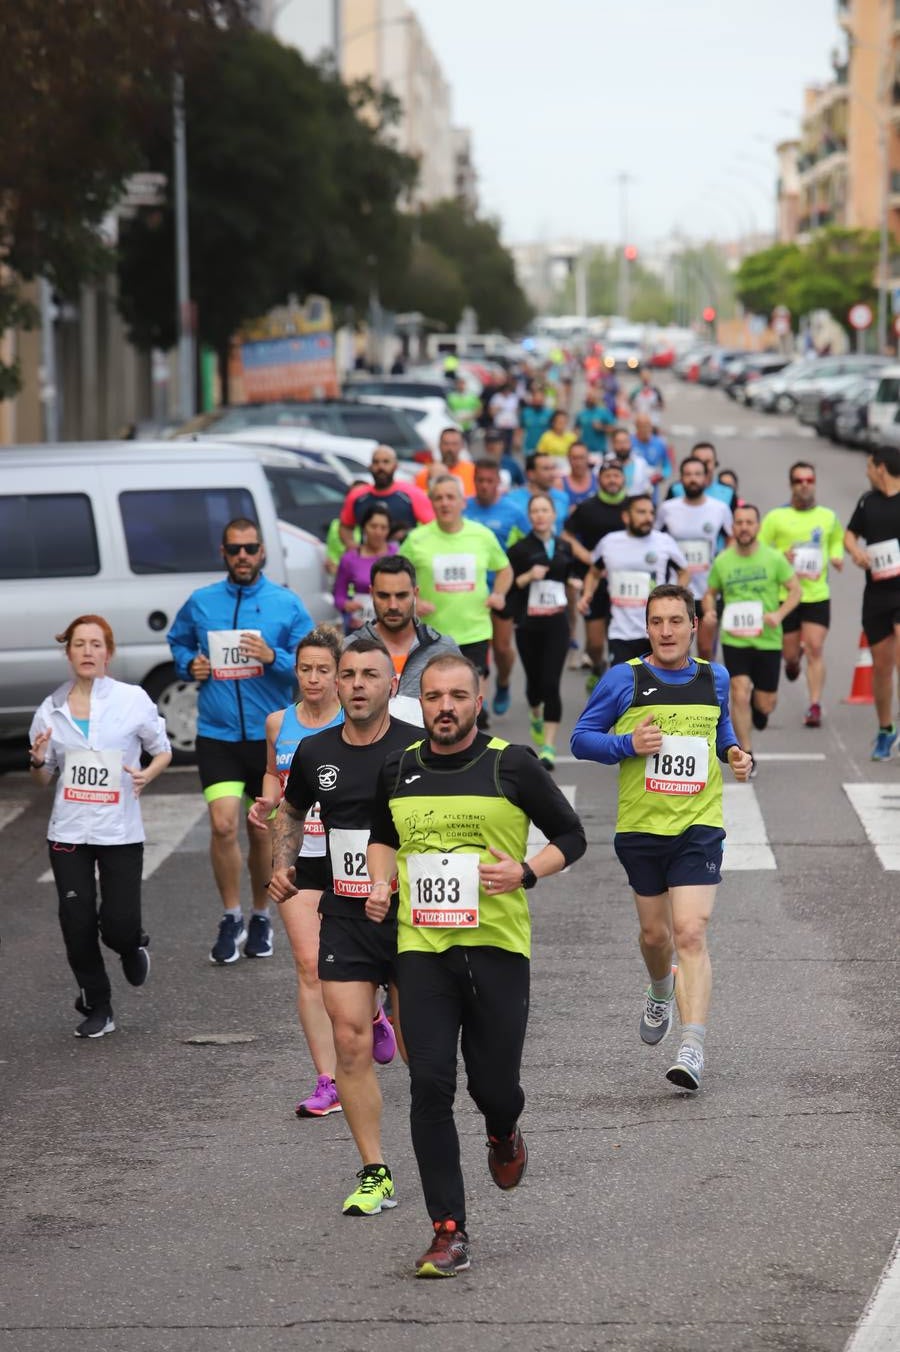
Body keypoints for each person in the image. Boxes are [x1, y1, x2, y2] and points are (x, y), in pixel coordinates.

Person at [366, 652, 586, 1276]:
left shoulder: (510, 763)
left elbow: (571, 837)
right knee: (429, 1084)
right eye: (434, 697)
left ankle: (503, 1129)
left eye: (457, 696)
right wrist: (381, 882)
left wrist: (523, 871)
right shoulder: (399, 768)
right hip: (422, 948)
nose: (445, 707)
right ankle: (449, 1230)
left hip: (497, 947)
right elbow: (383, 836)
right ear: (422, 702)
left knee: (492, 1087)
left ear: (478, 697)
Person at [571, 585, 752, 1093]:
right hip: (641, 828)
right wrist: (628, 743)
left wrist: (736, 754)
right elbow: (582, 738)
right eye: (658, 622)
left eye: (677, 620)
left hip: (698, 825)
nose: (667, 631)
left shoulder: (713, 677)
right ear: (646, 626)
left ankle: (692, 1045)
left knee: (690, 931)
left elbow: (721, 736)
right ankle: (659, 986)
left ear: (694, 625)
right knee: (656, 937)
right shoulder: (624, 679)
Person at [268, 639, 420, 1215]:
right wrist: (284, 865)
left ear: (392, 687)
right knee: (351, 1042)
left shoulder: (419, 749)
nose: (357, 684)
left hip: (413, 920)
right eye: (348, 675)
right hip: (345, 917)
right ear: (337, 685)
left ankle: (440, 1144)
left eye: (369, 675)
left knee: (420, 1052)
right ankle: (373, 1169)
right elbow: (292, 809)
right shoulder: (313, 751)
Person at [167, 517, 313, 965]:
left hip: (268, 738)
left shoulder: (285, 604)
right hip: (218, 736)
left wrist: (275, 657)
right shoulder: (202, 602)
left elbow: (314, 663)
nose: (243, 556)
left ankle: (261, 914)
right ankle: (231, 916)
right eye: (235, 550)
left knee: (261, 828)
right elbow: (177, 641)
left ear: (263, 552)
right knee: (224, 824)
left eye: (251, 548)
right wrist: (188, 664)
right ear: (224, 553)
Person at [28, 615, 172, 1038]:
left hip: (119, 831)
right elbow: (43, 777)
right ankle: (98, 1003)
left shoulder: (133, 700)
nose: (87, 651)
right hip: (69, 832)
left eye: (96, 644)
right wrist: (37, 761)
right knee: (76, 922)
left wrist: (149, 774)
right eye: (79, 644)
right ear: (68, 652)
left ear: (108, 653)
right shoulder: (50, 710)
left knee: (119, 924)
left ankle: (130, 945)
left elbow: (160, 750)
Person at [247, 627, 367, 1117]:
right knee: (307, 963)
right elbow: (275, 775)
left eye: (323, 670)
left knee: (358, 962)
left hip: (349, 852)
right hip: (297, 853)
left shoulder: (353, 720)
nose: (313, 679)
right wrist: (268, 803)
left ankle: (374, 1014)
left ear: (338, 674)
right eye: (305, 669)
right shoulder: (279, 721)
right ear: (294, 671)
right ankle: (328, 1079)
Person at [399, 476, 512, 715]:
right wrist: (411, 603)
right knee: (435, 707)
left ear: (463, 502)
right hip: (431, 635)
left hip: (474, 631)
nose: (445, 503)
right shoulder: (417, 539)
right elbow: (396, 577)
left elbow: (504, 569)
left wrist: (499, 593)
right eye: (438, 498)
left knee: (470, 708)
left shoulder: (481, 535)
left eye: (451, 497)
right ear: (431, 503)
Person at [701, 504, 801, 773]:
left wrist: (779, 614)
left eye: (749, 522)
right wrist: (709, 609)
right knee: (739, 692)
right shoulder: (723, 560)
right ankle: (747, 752)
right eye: (739, 523)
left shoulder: (774, 558)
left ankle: (761, 710)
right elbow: (710, 592)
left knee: (765, 703)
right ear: (733, 528)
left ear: (757, 527)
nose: (744, 527)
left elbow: (795, 591)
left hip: (767, 639)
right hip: (736, 640)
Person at [759, 462, 844, 728]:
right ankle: (793, 664)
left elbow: (836, 541)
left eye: (809, 479)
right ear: (791, 484)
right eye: (799, 480)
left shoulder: (828, 517)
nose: (804, 484)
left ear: (814, 482)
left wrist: (837, 557)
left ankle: (815, 705)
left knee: (816, 648)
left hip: (817, 594)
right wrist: (779, 556)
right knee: (791, 654)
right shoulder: (776, 518)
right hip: (787, 597)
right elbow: (761, 548)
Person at [506, 494, 578, 768]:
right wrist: (527, 576)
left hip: (557, 623)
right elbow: (509, 586)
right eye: (534, 511)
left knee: (551, 683)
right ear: (529, 516)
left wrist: (574, 588)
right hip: (528, 624)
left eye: (544, 510)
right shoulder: (520, 549)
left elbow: (567, 578)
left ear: (552, 514)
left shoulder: (563, 547)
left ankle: (548, 747)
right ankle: (535, 713)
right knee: (534, 686)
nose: (540, 515)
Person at [347, 554, 461, 725]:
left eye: (401, 596)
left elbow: (464, 710)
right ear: (371, 593)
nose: (393, 605)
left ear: (415, 594)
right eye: (383, 596)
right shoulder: (347, 650)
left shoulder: (444, 649)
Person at [579, 495, 690, 666]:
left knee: (659, 686)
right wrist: (587, 594)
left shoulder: (664, 542)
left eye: (651, 513)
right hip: (621, 632)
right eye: (641, 512)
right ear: (626, 517)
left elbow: (684, 571)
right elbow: (594, 573)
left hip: (657, 630)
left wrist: (674, 597)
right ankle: (598, 669)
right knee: (627, 687)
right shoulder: (610, 543)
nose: (648, 518)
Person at [844, 444, 900, 759]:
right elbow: (849, 535)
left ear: (881, 467)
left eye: (869, 466)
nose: (866, 471)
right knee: (881, 667)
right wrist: (857, 553)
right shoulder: (868, 502)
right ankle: (885, 729)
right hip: (877, 593)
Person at [464, 459, 528, 715]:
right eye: (480, 480)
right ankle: (480, 699)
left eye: (490, 481)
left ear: (498, 484)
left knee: (501, 648)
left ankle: (502, 682)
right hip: (469, 591)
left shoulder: (512, 512)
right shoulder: (464, 508)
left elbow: (530, 544)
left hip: (502, 589)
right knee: (477, 648)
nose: (484, 486)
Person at [656, 455, 733, 659]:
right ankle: (681, 689)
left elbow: (731, 539)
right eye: (688, 474)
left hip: (708, 590)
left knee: (706, 650)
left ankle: (705, 689)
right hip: (675, 589)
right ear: (681, 478)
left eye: (697, 474)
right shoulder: (667, 509)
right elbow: (656, 539)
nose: (693, 479)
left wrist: (723, 563)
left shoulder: (719, 509)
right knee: (678, 650)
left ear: (706, 477)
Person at [563, 453, 629, 687]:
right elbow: (566, 535)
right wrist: (588, 557)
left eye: (616, 476)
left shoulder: (632, 507)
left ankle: (620, 681)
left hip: (625, 583)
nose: (612, 480)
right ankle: (598, 664)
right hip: (594, 579)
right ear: (599, 479)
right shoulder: (587, 507)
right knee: (594, 643)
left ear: (623, 480)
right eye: (607, 476)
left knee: (623, 638)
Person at [339, 446, 434, 549]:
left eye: (386, 462)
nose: (381, 467)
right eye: (376, 462)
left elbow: (433, 527)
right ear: (370, 466)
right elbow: (345, 526)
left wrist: (408, 535)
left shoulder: (412, 494)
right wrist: (353, 548)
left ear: (395, 466)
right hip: (369, 561)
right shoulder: (357, 496)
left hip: (404, 560)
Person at [332, 503, 398, 634]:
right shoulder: (349, 558)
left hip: (391, 628)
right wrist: (346, 605)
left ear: (389, 530)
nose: (378, 532)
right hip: (360, 628)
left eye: (383, 528)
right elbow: (339, 595)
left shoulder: (397, 554)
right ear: (364, 528)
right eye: (373, 526)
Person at [505, 453, 570, 538]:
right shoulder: (512, 499)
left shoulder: (563, 498)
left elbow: (565, 532)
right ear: (530, 474)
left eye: (553, 468)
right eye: (546, 469)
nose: (552, 474)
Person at [667, 442, 737, 514]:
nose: (703, 466)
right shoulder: (675, 489)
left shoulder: (728, 492)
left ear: (715, 463)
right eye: (698, 461)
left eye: (707, 462)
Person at [415, 426, 476, 499]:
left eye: (454, 444)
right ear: (439, 445)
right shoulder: (425, 474)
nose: (450, 448)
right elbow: (420, 501)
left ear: (462, 446)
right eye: (446, 444)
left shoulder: (473, 472)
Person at [631, 412, 675, 504]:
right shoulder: (629, 442)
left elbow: (667, 465)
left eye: (647, 426)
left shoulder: (659, 443)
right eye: (641, 426)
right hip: (633, 489)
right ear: (636, 427)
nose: (645, 429)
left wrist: (662, 475)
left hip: (652, 489)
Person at [609, 425, 653, 497]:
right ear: (613, 444)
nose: (622, 446)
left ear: (630, 443)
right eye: (619, 442)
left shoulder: (641, 463)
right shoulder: (605, 463)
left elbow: (647, 488)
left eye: (625, 442)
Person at [574, 386, 616, 455]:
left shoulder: (604, 412)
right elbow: (576, 429)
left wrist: (602, 427)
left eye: (592, 397)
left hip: (600, 451)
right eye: (589, 397)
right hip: (585, 451)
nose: (590, 399)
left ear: (596, 399)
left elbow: (613, 429)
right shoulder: (581, 413)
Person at [561, 440, 598, 512]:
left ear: (588, 458)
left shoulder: (598, 480)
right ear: (568, 459)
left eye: (581, 457)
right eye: (574, 458)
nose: (578, 463)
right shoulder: (560, 484)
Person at [488, 381, 520, 454]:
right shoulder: (496, 397)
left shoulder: (513, 397)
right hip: (499, 425)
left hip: (510, 425)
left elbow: (516, 411)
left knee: (508, 445)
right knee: (499, 444)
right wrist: (498, 409)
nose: (507, 392)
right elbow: (491, 411)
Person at [519, 387, 554, 454]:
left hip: (544, 449)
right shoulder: (525, 412)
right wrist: (518, 441)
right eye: (536, 398)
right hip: (528, 448)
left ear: (544, 399)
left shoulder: (550, 413)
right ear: (532, 399)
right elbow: (520, 428)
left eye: (540, 398)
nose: (538, 400)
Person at [446, 375, 481, 442]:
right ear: (456, 385)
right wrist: (454, 418)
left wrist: (472, 416)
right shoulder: (451, 396)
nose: (461, 386)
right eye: (459, 384)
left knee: (468, 443)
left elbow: (479, 409)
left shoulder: (472, 396)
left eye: (462, 383)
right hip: (456, 425)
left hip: (469, 426)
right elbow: (448, 410)